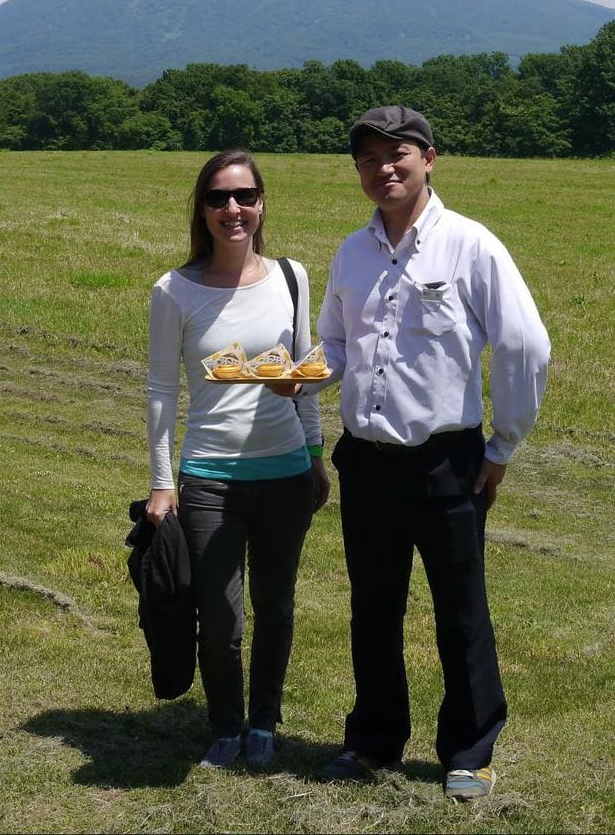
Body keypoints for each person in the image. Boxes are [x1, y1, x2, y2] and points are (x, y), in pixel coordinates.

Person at [277, 106, 550, 801]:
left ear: (430, 159)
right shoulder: (352, 251)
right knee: (371, 607)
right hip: (364, 461)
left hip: (444, 461)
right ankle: (371, 742)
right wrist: (299, 373)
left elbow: (523, 344)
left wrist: (503, 444)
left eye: (397, 153)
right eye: (367, 158)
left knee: (459, 609)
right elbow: (336, 346)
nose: (383, 168)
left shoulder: (469, 245)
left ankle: (468, 748)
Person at [145, 148, 329, 769]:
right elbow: (161, 390)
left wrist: (315, 455)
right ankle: (224, 724)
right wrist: (162, 483)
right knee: (220, 619)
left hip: (285, 475)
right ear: (201, 208)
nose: (233, 209)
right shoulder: (174, 290)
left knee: (276, 608)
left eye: (245, 196)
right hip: (209, 479)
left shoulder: (292, 276)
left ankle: (263, 725)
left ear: (261, 203)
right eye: (219, 198)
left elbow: (303, 372)